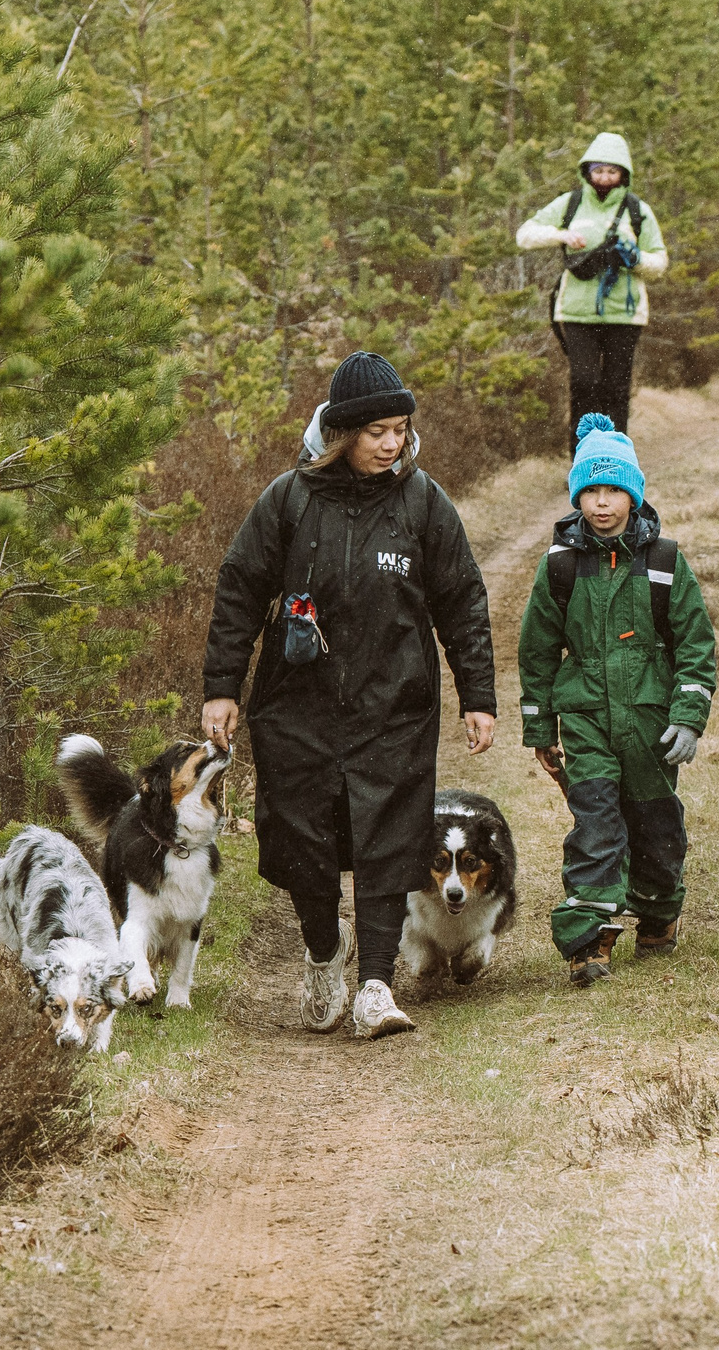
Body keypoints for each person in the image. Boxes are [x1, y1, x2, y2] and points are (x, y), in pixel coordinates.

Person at [200, 352, 497, 1041]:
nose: (392, 443)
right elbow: (239, 589)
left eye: (400, 429)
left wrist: (476, 694)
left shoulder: (423, 502)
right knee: (301, 841)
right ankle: (323, 952)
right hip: (296, 708)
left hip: (394, 708)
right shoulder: (289, 500)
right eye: (376, 432)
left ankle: (375, 987)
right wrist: (222, 689)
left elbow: (463, 601)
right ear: (341, 435)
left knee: (388, 842)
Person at [518, 414, 719, 988]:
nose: (602, 504)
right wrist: (541, 729)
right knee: (597, 824)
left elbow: (696, 645)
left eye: (613, 491)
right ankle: (590, 937)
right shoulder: (559, 567)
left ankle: (658, 909)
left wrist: (688, 717)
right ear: (577, 494)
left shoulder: (662, 563)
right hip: (585, 721)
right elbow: (536, 652)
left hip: (651, 723)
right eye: (591, 491)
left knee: (656, 828)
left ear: (633, 495)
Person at [517, 132, 668, 441]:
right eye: (598, 170)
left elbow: (660, 262)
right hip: (576, 312)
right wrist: (561, 236)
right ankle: (581, 461)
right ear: (587, 171)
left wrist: (635, 259)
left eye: (612, 171)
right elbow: (525, 235)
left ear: (624, 174)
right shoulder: (570, 204)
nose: (604, 177)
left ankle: (616, 461)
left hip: (624, 316)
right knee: (584, 384)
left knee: (616, 388)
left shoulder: (638, 211)